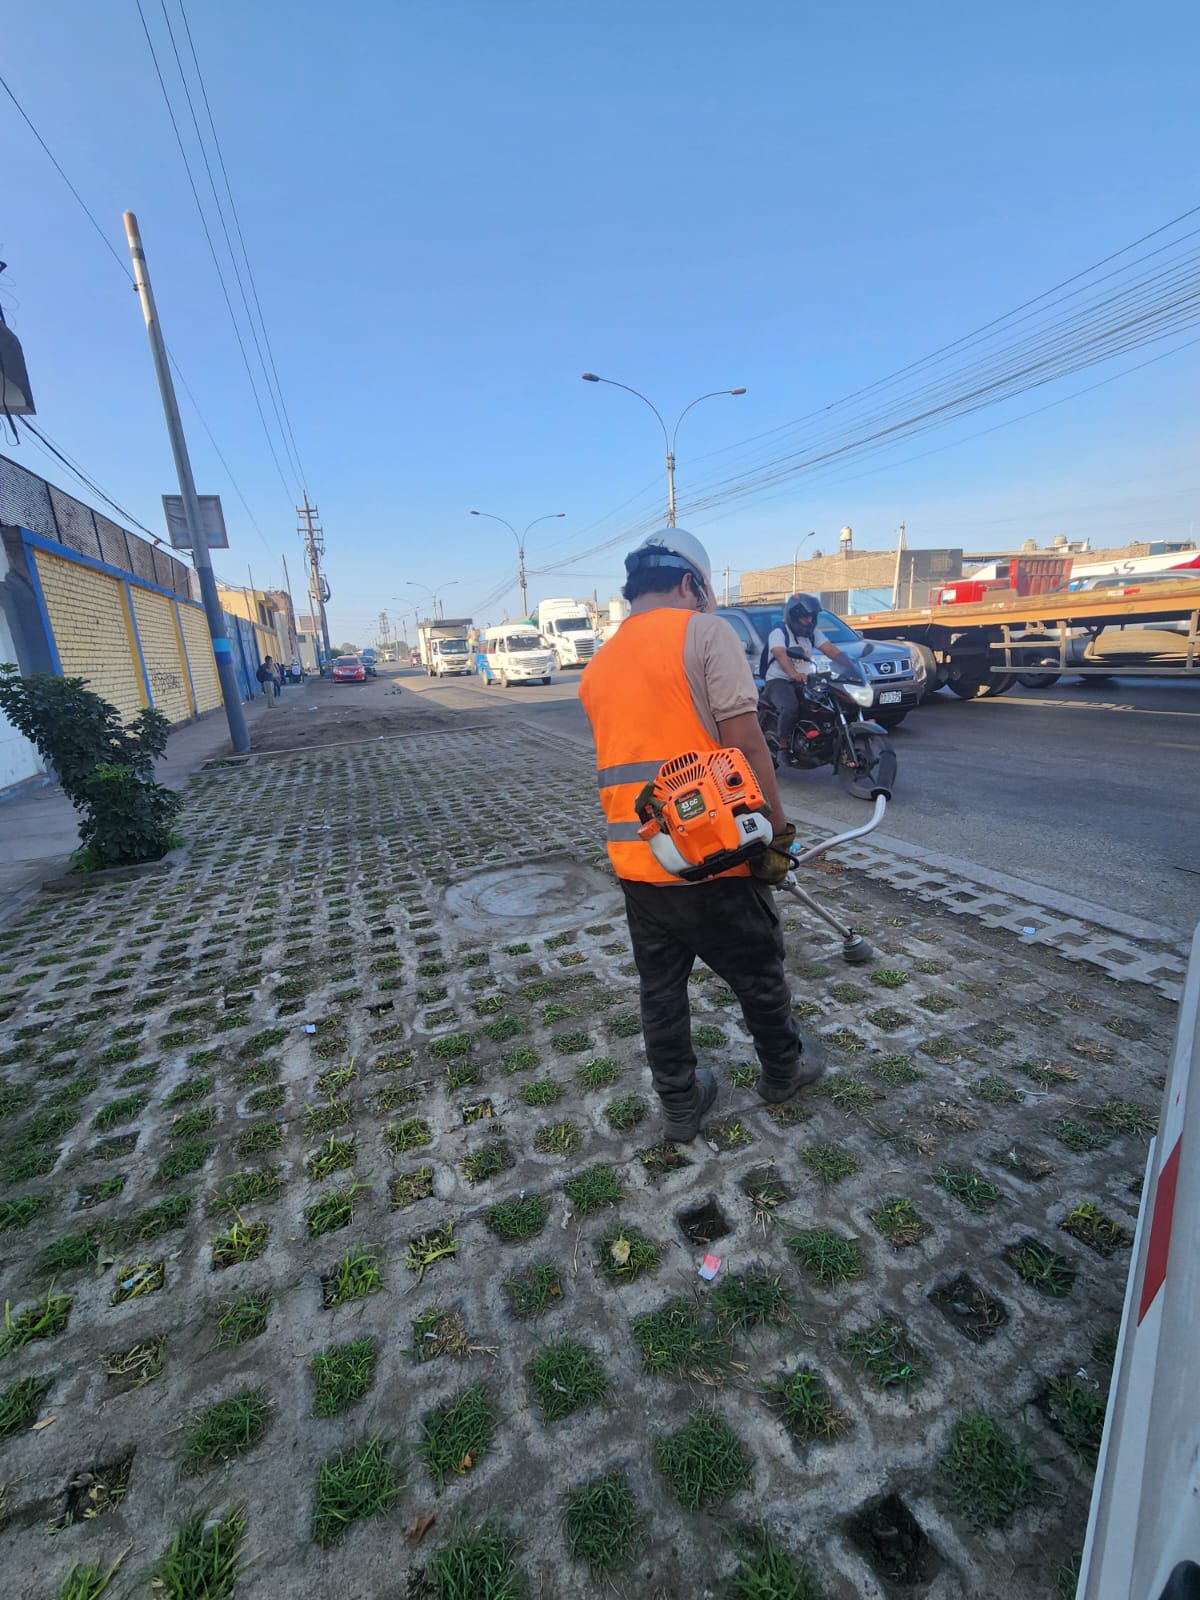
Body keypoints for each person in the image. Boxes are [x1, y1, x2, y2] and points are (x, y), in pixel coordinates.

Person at [579, 528, 823, 1143]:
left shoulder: (598, 664)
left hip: (639, 862)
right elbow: (746, 742)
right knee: (758, 970)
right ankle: (783, 1072)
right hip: (715, 853)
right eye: (704, 591)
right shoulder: (704, 632)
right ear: (690, 582)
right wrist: (776, 828)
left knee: (661, 989)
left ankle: (681, 1105)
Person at [762, 593, 855, 761]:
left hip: (805, 679)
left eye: (812, 617)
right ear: (794, 616)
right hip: (779, 680)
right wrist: (794, 674)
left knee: (825, 704)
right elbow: (781, 655)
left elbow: (830, 650)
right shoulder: (779, 632)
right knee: (790, 707)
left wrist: (851, 666)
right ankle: (783, 746)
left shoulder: (812, 633)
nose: (809, 621)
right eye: (806, 617)